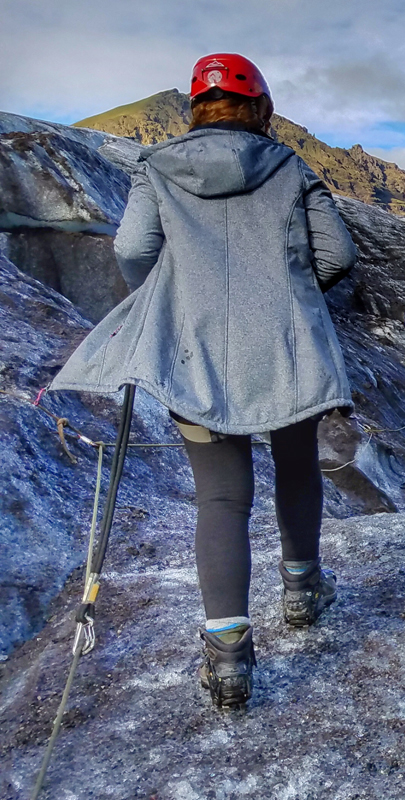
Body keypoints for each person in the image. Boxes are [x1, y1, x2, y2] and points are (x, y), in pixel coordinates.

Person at [50, 53, 357, 708]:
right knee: (297, 466)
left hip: (192, 357)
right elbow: (336, 254)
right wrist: (292, 298)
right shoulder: (291, 169)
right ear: (262, 109)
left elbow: (133, 251)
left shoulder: (157, 170)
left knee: (221, 498)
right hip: (283, 349)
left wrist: (174, 306)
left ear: (197, 108)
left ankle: (227, 659)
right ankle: (303, 590)